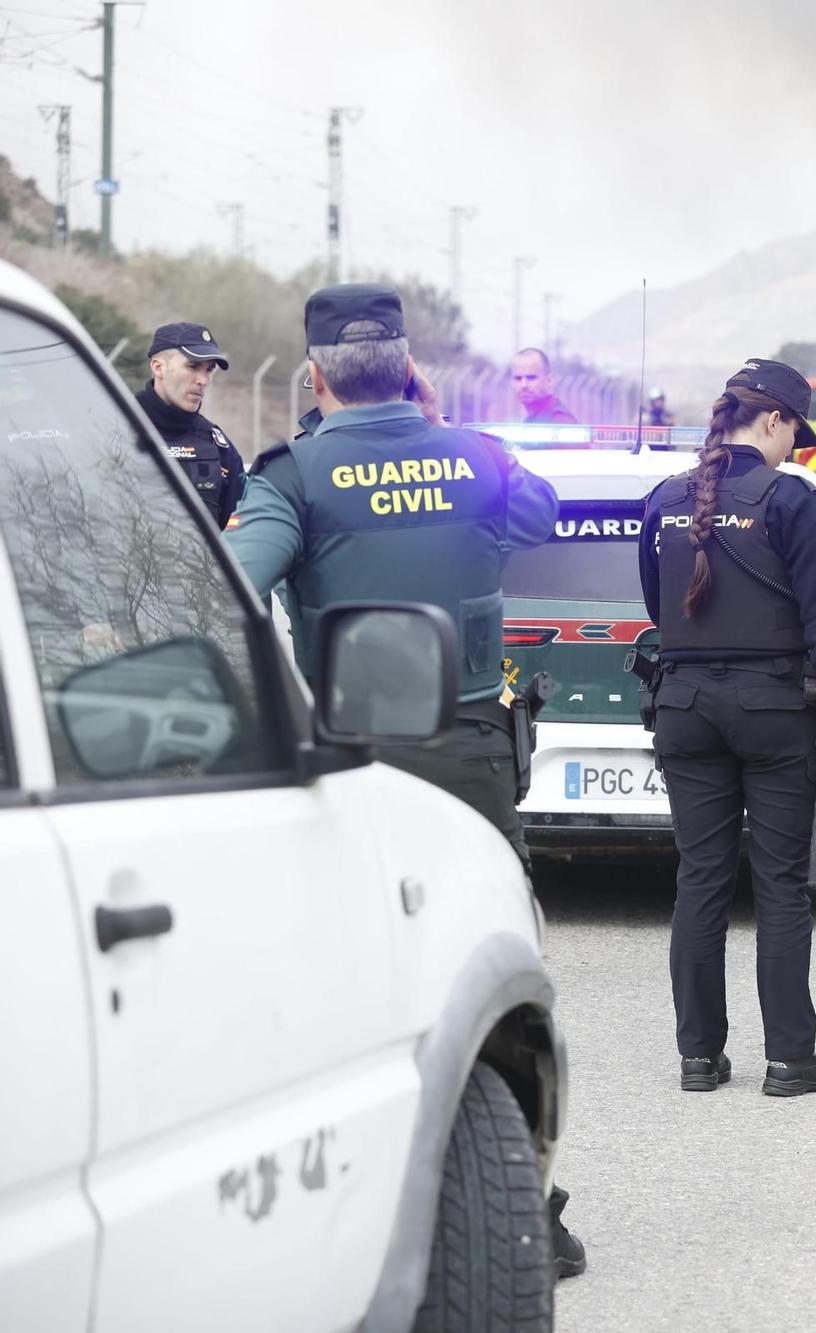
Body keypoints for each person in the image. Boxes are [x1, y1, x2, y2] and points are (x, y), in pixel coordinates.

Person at [222, 283, 587, 1278]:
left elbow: (233, 587)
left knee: (344, 970)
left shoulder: (292, 475)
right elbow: (543, 514)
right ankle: (520, 1200)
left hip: (350, 765)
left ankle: (340, 1201)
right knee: (494, 967)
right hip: (472, 759)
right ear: (411, 369)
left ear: (313, 376)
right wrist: (435, 428)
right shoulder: (479, 459)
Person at [638, 357, 816, 1098]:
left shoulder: (665, 498)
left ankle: (699, 1058)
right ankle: (789, 1059)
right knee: (780, 887)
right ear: (773, 420)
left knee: (700, 880)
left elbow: (658, 607)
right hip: (773, 712)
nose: (795, 447)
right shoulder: (791, 498)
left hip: (684, 708)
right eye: (795, 431)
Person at [138, 322, 245, 528]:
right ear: (158, 367)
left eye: (209, 370)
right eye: (193, 367)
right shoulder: (116, 427)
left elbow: (239, 534)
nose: (203, 380)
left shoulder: (218, 445)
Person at [511, 347, 577, 424]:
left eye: (531, 378)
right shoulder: (530, 418)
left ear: (549, 380)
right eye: (518, 378)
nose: (524, 385)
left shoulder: (560, 420)